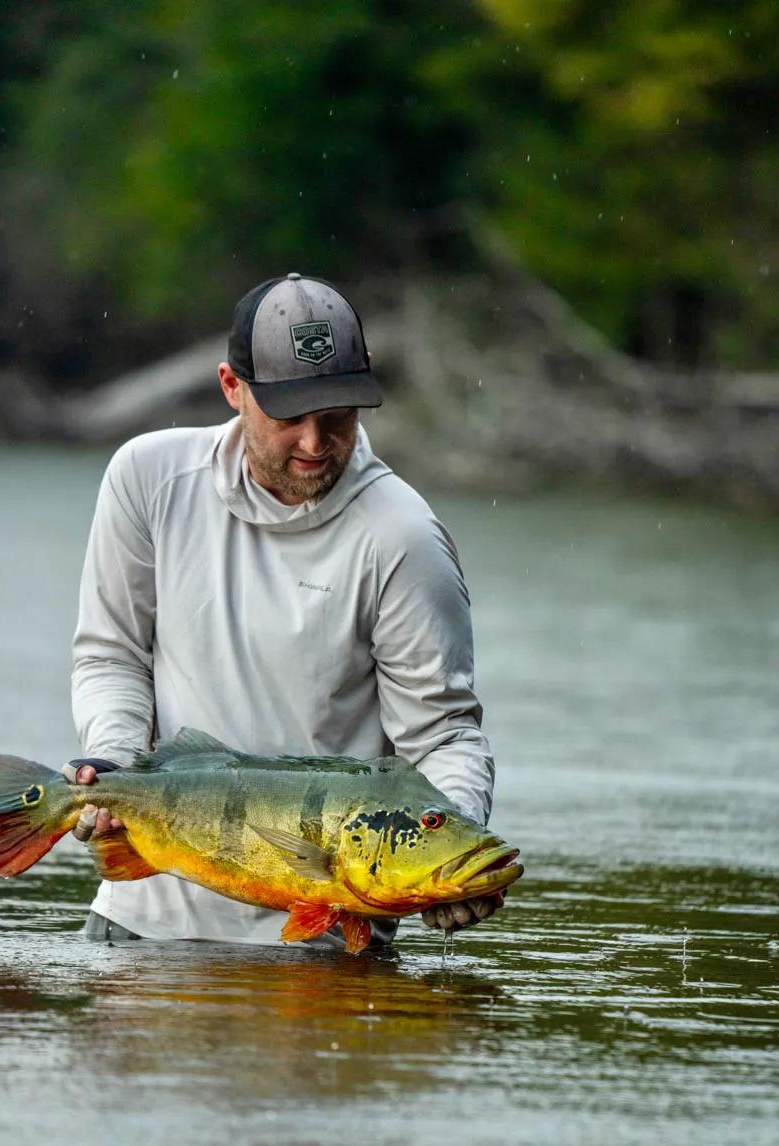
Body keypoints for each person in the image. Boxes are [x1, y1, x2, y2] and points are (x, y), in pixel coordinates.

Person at [68, 272, 503, 945]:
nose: (314, 442)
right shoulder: (148, 479)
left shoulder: (403, 538)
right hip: (140, 920)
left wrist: (455, 853)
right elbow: (111, 655)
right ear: (232, 387)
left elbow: (443, 735)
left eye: (337, 416)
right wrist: (115, 759)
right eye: (290, 416)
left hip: (324, 941)